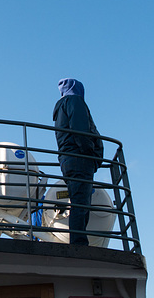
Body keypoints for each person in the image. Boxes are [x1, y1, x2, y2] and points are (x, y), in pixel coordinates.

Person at [52, 78, 103, 245]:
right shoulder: (74, 101)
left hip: (68, 159)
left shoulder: (60, 107)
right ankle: (79, 243)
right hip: (80, 158)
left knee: (78, 200)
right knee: (81, 202)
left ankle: (78, 240)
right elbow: (80, 129)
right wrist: (91, 153)